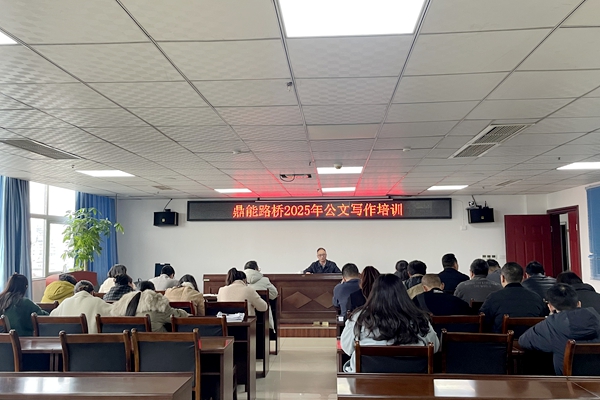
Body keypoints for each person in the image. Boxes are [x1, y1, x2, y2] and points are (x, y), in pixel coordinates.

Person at [341, 274, 440, 373]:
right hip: (414, 378)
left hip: (368, 378)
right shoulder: (419, 318)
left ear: (373, 294)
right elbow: (434, 347)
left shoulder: (359, 317)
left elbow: (347, 347)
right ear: (403, 294)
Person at [519, 283, 600, 375]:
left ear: (550, 307)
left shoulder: (552, 324)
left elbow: (524, 341)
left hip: (568, 382)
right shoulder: (596, 317)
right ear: (579, 304)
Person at [479, 262, 546, 332]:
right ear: (522, 278)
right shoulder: (536, 298)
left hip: (502, 338)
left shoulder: (493, 297)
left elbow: (483, 321)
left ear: (502, 278)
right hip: (530, 338)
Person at [111, 281, 188, 331]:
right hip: (159, 346)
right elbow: (178, 316)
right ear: (153, 292)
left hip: (130, 347)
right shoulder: (159, 304)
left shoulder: (123, 304)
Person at [243, 261, 278, 329]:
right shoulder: (264, 280)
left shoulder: (240, 281)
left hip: (243, 317)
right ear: (256, 269)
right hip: (262, 315)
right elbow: (274, 294)